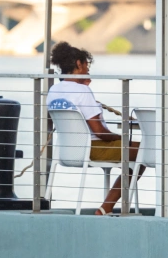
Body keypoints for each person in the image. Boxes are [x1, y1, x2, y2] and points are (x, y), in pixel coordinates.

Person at [46, 42, 141, 215]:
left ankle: (106, 208)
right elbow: (99, 132)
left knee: (135, 155)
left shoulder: (53, 90)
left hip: (66, 150)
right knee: (144, 151)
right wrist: (120, 137)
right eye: (86, 65)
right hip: (93, 149)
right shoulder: (82, 91)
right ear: (78, 64)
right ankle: (106, 207)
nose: (88, 69)